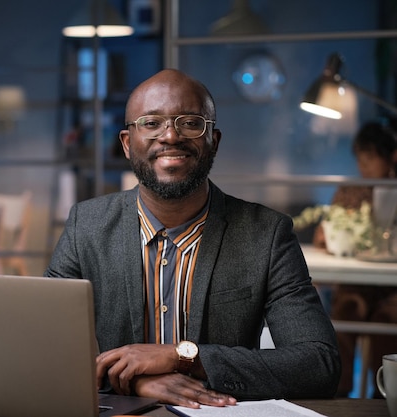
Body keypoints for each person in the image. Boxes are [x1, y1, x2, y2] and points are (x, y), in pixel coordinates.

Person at [45, 69, 340, 408]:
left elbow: (320, 364)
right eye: (151, 123)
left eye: (189, 123)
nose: (170, 136)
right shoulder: (87, 225)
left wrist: (183, 357)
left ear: (213, 141)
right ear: (127, 144)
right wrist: (135, 381)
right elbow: (45, 347)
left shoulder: (266, 234)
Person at [313, 120, 397, 398]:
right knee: (345, 314)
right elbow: (323, 234)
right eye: (360, 159)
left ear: (391, 157)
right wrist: (330, 234)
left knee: (387, 323)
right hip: (357, 283)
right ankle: (338, 392)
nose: (364, 166)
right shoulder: (352, 191)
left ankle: (383, 395)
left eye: (370, 158)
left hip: (392, 288)